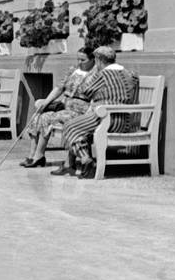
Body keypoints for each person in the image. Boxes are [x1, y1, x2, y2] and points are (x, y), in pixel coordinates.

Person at [54, 45, 139, 179]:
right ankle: (78, 163)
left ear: (99, 60)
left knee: (70, 126)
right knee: (78, 127)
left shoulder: (103, 74)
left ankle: (85, 160)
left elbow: (87, 91)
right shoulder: (128, 73)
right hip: (127, 120)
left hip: (108, 120)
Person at [18, 48, 96, 167]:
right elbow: (59, 88)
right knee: (38, 115)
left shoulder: (96, 74)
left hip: (81, 111)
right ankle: (32, 154)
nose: (79, 62)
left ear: (92, 60)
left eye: (83, 60)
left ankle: (39, 156)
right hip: (65, 105)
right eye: (78, 59)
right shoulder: (73, 70)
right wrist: (46, 102)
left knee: (46, 118)